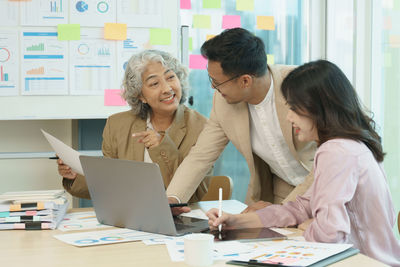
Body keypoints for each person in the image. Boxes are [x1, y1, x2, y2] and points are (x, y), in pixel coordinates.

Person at [206, 60, 400, 266]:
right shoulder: (348, 145)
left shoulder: (337, 151)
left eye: (294, 108)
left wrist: (309, 226)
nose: (289, 117)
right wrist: (236, 221)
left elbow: (329, 233)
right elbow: (300, 207)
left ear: (319, 109)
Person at [166, 28, 316, 211]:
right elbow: (201, 156)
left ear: (245, 81)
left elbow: (344, 146)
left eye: (217, 82)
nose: (213, 87)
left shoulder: (304, 85)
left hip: (330, 186)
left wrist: (282, 211)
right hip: (282, 193)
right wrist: (173, 198)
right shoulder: (223, 103)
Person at [58, 49, 210, 203]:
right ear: (140, 95)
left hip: (178, 218)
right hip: (130, 216)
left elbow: (195, 192)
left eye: (171, 77)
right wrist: (76, 175)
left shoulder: (202, 127)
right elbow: (110, 184)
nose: (167, 89)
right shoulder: (117, 125)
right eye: (154, 83)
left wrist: (162, 147)